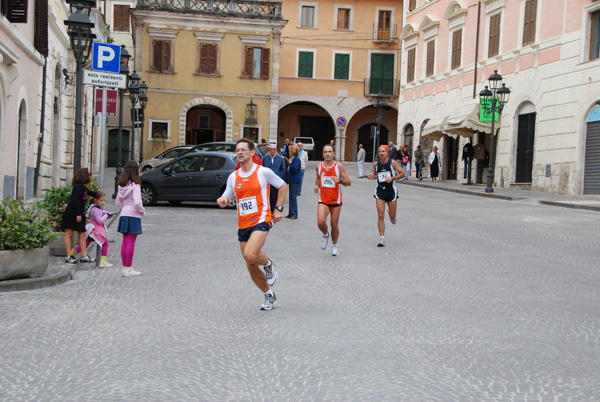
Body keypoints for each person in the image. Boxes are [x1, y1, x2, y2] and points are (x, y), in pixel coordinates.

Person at [217, 139, 288, 311]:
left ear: (252, 152)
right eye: (237, 150)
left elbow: (283, 186)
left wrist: (278, 209)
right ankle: (269, 294)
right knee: (250, 263)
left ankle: (269, 264)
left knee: (250, 254)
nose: (239, 152)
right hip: (244, 223)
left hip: (262, 219)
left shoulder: (263, 172)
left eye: (243, 149)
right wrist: (223, 200)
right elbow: (227, 195)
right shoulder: (233, 177)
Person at [314, 144, 351, 257]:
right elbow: (319, 178)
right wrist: (317, 186)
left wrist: (339, 181)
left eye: (330, 151)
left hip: (336, 200)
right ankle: (325, 234)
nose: (328, 154)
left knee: (334, 224)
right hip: (323, 199)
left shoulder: (338, 167)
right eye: (325, 152)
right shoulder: (318, 167)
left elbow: (348, 182)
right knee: (320, 222)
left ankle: (334, 246)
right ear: (323, 154)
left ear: (334, 153)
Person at [367, 145, 405, 247]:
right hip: (380, 190)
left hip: (391, 191)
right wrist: (372, 176)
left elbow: (403, 174)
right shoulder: (376, 164)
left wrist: (392, 178)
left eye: (383, 151)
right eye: (380, 152)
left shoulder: (393, 163)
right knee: (380, 215)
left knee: (393, 217)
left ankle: (392, 215)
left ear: (387, 153)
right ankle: (381, 238)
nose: (381, 153)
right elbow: (376, 175)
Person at [71, 190, 117, 267]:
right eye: (101, 200)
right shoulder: (95, 210)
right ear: (95, 200)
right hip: (95, 230)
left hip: (93, 230)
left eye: (104, 200)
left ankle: (73, 252)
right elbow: (99, 220)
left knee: (86, 244)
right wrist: (107, 215)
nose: (103, 202)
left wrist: (108, 214)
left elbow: (102, 213)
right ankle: (103, 261)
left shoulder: (95, 208)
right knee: (105, 243)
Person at [116, 160, 146, 277]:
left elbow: (118, 201)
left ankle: (125, 267)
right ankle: (129, 268)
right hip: (133, 215)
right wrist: (142, 211)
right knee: (131, 242)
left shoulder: (121, 185)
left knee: (125, 241)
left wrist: (125, 207)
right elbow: (138, 202)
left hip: (124, 214)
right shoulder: (135, 186)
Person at [62, 167, 97, 264]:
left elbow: (90, 193)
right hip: (72, 214)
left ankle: (84, 255)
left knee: (82, 234)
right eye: (90, 176)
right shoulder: (78, 188)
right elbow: (75, 201)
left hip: (79, 214)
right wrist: (78, 214)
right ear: (85, 177)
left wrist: (98, 193)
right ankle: (69, 256)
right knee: (69, 234)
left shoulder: (84, 188)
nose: (91, 178)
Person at [262, 144, 286, 213]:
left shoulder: (280, 158)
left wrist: (279, 177)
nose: (272, 150)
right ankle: (268, 211)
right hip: (267, 182)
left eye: (273, 149)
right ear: (269, 150)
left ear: (276, 150)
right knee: (267, 196)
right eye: (271, 149)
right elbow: (262, 168)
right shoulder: (265, 158)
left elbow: (282, 169)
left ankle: (273, 211)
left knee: (275, 197)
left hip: (276, 181)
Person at [286, 145, 302, 219]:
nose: (289, 152)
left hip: (295, 180)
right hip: (291, 180)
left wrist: (290, 163)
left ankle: (294, 214)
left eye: (290, 151)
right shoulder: (292, 159)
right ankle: (290, 213)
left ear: (293, 152)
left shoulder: (296, 159)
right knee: (291, 197)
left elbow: (294, 169)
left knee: (293, 197)